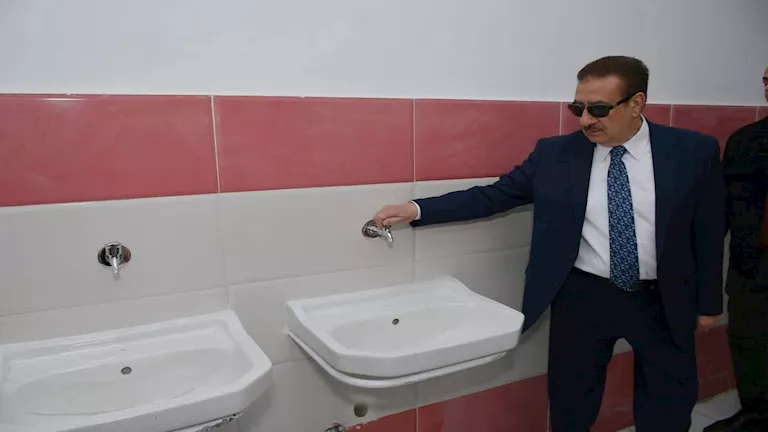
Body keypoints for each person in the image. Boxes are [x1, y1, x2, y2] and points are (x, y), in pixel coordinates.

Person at [372, 56, 725, 431]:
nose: (585, 120)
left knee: (667, 404)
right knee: (571, 401)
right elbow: (495, 196)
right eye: (578, 108)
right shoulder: (556, 154)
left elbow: (709, 230)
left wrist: (708, 303)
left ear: (637, 103)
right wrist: (417, 209)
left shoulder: (692, 152)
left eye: (599, 109)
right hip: (583, 297)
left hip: (663, 297)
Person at [705, 67, 768, 432]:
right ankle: (756, 413)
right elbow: (723, 206)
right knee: (749, 340)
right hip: (753, 263)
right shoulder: (747, 141)